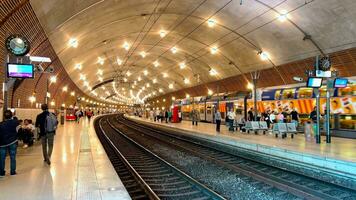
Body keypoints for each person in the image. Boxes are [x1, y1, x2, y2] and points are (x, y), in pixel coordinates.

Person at [0, 110, 20, 176]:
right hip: (12, 141)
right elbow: (18, 130)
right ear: (11, 115)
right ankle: (12, 172)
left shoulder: (1, 124)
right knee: (12, 157)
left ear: (4, 116)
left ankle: (1, 173)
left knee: (2, 158)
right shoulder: (15, 122)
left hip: (2, 143)